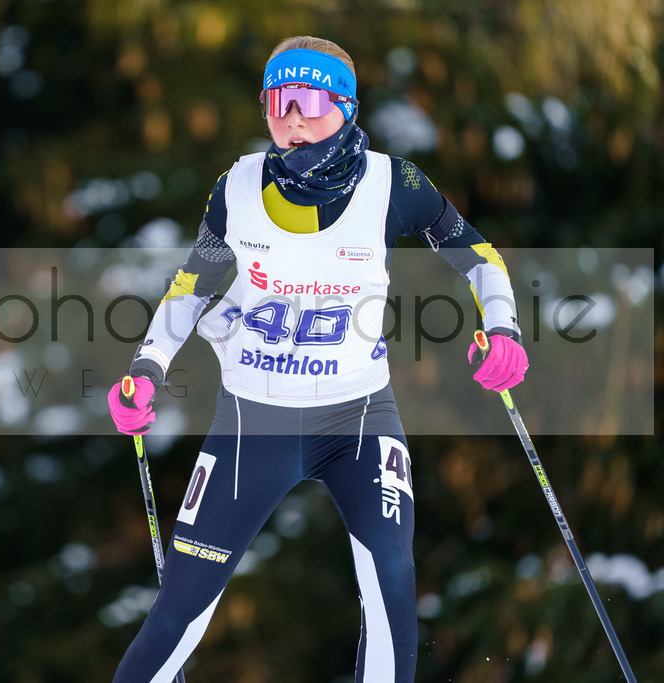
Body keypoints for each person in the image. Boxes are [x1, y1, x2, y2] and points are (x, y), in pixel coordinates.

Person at [107, 36, 528, 682]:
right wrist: (145, 369)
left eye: (308, 100)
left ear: (346, 107)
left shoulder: (397, 184)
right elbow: (190, 290)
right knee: (176, 613)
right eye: (278, 103)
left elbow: (483, 260)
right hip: (253, 423)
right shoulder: (238, 188)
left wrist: (503, 330)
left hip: (358, 420)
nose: (292, 119)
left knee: (391, 585)